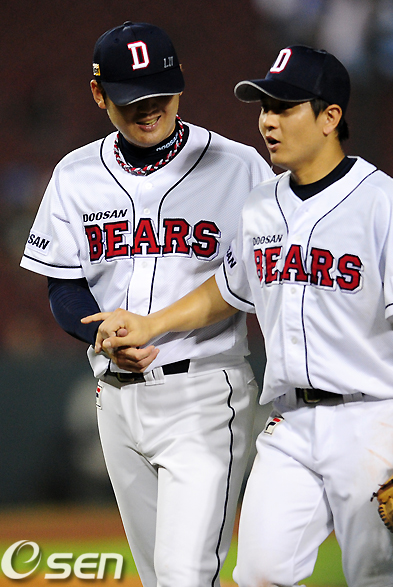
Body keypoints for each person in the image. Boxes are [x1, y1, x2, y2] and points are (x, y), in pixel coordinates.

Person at [83, 45, 393, 587]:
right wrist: (152, 324)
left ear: (330, 117)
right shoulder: (260, 205)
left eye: (284, 107)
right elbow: (228, 289)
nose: (267, 121)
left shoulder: (384, 202)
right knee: (259, 573)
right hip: (288, 421)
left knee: (378, 579)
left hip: (372, 418)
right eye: (264, 107)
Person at [20, 21, 273, 587]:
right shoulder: (75, 174)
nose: (149, 108)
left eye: (160, 93)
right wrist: (97, 333)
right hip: (115, 398)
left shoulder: (239, 167)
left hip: (205, 392)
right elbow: (63, 284)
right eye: (132, 97)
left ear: (180, 84)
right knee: (160, 577)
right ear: (98, 94)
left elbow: (262, 281)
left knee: (185, 575)